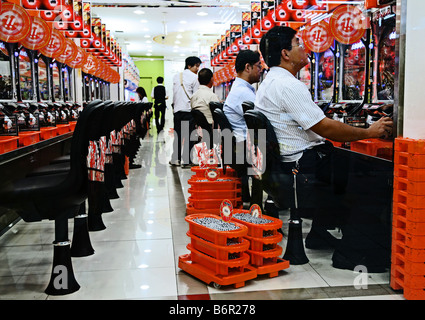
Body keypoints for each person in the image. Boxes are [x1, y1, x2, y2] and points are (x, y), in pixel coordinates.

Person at [255, 26, 393, 253]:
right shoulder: (288, 85)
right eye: (298, 42)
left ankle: (319, 233)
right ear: (285, 54)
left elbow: (318, 123)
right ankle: (357, 251)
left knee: (342, 159)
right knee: (374, 172)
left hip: (285, 166)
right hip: (302, 168)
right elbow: (325, 127)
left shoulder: (269, 82)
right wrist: (371, 131)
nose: (305, 47)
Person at [223, 49, 264, 209]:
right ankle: (261, 207)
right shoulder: (243, 93)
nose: (261, 70)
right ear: (248, 67)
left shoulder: (240, 89)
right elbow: (262, 119)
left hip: (238, 147)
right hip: (244, 149)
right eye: (258, 66)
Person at [170, 56, 201, 168]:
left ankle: (175, 159)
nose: (198, 68)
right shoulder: (194, 78)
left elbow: (175, 94)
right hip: (188, 111)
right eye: (196, 66)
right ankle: (186, 161)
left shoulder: (176, 76)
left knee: (178, 136)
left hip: (177, 110)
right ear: (189, 66)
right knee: (189, 136)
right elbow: (196, 96)